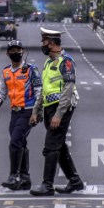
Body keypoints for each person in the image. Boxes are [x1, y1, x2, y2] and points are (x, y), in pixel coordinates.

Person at [30, 28, 84, 196]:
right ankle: (75, 181)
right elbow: (44, 90)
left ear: (52, 43)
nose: (42, 45)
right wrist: (36, 111)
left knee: (51, 146)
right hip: (49, 107)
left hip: (62, 107)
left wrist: (59, 114)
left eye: (44, 42)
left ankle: (47, 185)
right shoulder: (48, 63)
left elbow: (68, 89)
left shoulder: (66, 62)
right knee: (59, 146)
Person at [0, 40, 42, 191]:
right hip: (15, 112)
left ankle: (13, 176)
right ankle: (25, 179)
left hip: (28, 111)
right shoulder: (6, 72)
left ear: (23, 51)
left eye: (18, 49)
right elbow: (2, 92)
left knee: (15, 142)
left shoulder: (31, 70)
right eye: (12, 50)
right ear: (7, 54)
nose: (15, 52)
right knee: (21, 143)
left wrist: (36, 112)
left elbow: (39, 91)